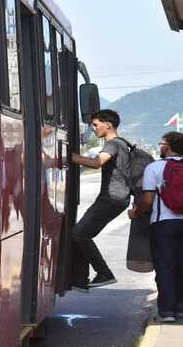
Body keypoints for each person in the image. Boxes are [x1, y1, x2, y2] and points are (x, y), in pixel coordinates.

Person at [128, 131, 183, 322]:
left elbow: (147, 199)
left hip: (163, 224)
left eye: (162, 143)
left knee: (165, 268)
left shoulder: (154, 168)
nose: (161, 146)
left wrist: (136, 212)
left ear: (167, 147)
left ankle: (168, 312)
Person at [70, 109, 130, 290]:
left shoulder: (113, 144)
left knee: (80, 233)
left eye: (96, 125)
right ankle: (80, 280)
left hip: (111, 199)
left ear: (108, 125)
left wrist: (70, 157)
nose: (93, 128)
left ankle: (104, 273)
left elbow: (97, 163)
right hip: (115, 198)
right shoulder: (122, 144)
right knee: (79, 233)